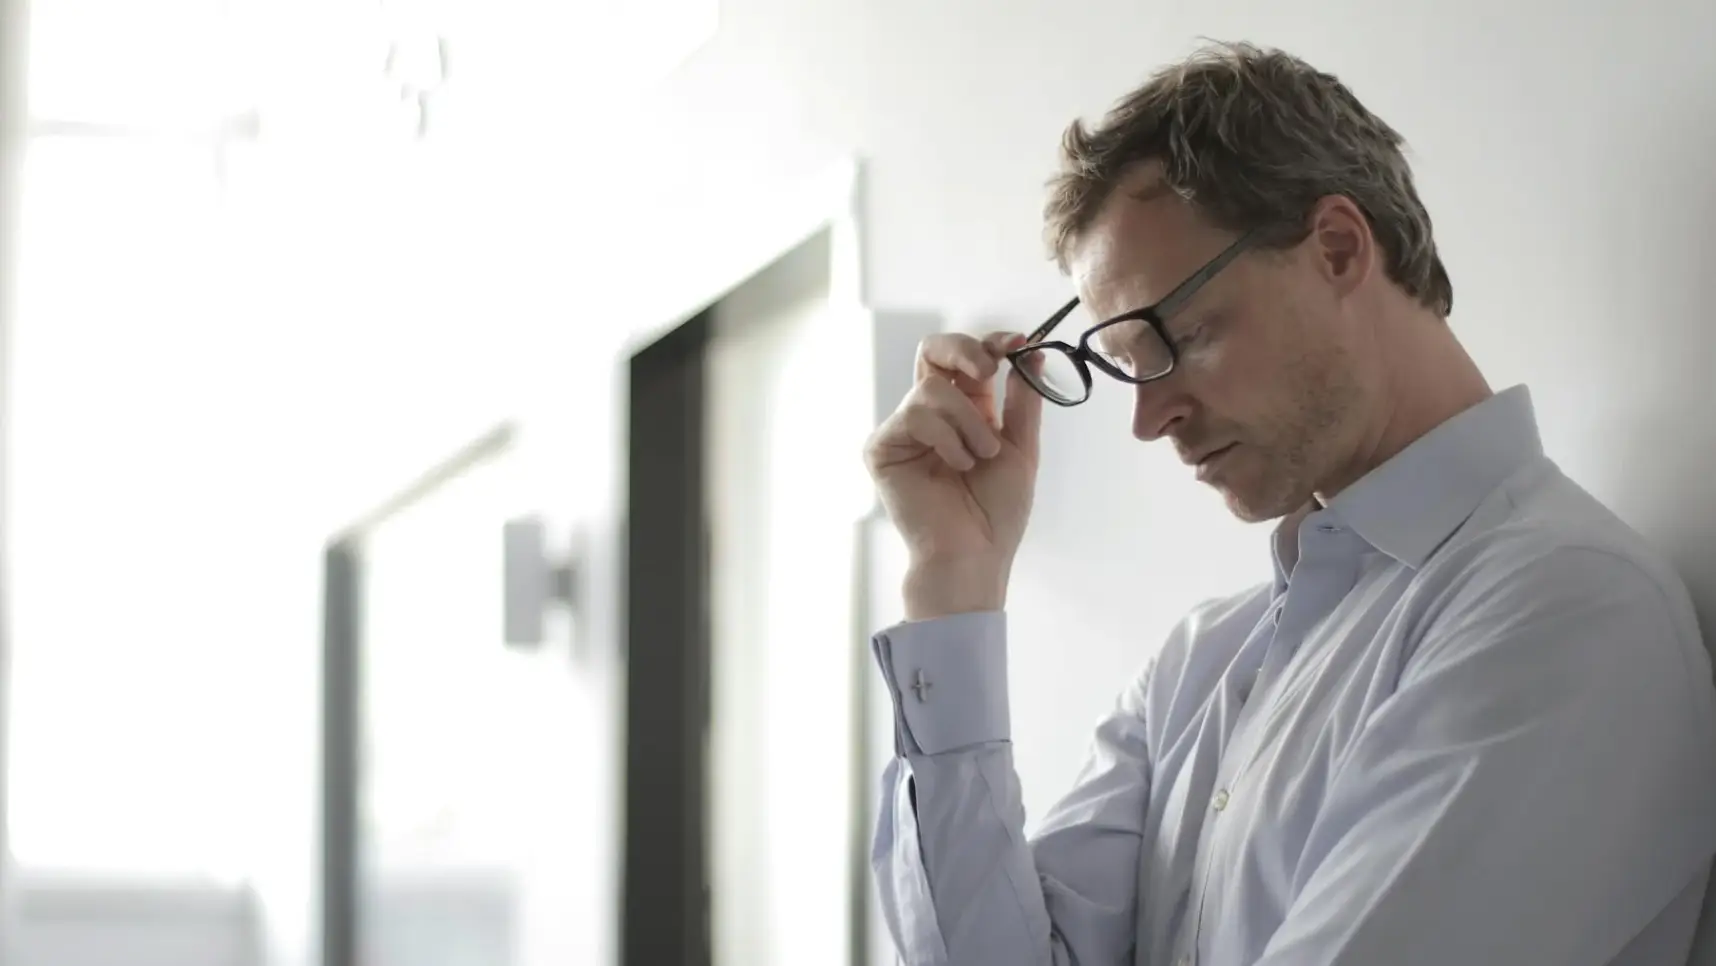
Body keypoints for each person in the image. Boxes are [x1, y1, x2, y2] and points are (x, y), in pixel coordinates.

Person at [861, 41, 1716, 966]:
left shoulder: (1561, 611)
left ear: (1339, 249)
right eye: (1126, 369)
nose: (1151, 419)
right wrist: (952, 582)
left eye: (1179, 336)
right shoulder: (1197, 665)